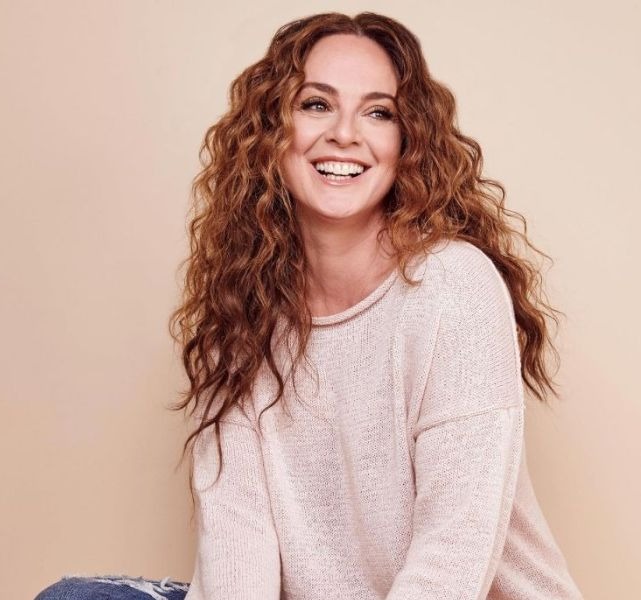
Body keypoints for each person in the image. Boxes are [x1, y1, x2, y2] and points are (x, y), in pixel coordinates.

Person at [36, 11, 584, 600]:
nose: (345, 133)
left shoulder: (453, 288)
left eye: (378, 112)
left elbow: (451, 560)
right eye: (316, 104)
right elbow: (237, 555)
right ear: (272, 129)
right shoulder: (242, 310)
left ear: (407, 142)